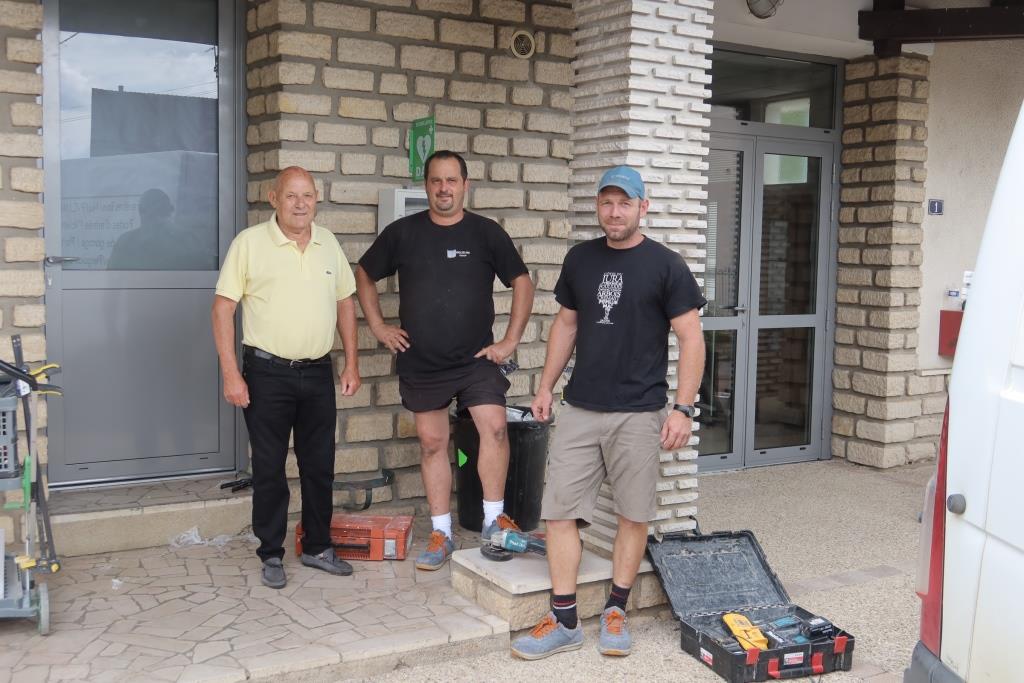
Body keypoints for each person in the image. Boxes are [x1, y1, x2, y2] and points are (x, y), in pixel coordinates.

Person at [512, 166, 706, 659]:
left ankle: (617, 610)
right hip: (580, 407)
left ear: (643, 207)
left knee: (632, 514)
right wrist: (545, 386)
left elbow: (691, 338)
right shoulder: (580, 259)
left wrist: (683, 409)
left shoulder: (667, 265)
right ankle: (564, 619)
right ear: (597, 207)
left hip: (640, 413)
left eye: (624, 202)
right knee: (558, 512)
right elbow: (567, 325)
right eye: (606, 202)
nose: (614, 212)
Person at [356, 150, 535, 570]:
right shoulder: (403, 233)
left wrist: (509, 341)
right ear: (426, 186)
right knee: (433, 443)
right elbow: (364, 273)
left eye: (451, 180)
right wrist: (380, 328)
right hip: (423, 361)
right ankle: (442, 532)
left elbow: (522, 282)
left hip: (476, 359)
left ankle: (494, 523)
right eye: (436, 181)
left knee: (493, 428)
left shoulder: (486, 234)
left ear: (465, 185)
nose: (443, 189)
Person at [212, 166, 360, 589]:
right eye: (291, 196)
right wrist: (231, 374)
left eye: (308, 196)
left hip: (317, 373)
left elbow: (346, 302)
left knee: (319, 466)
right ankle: (271, 552)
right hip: (266, 373)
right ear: (273, 198)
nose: (300, 204)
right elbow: (223, 309)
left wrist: (351, 362)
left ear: (316, 199)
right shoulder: (249, 244)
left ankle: (317, 547)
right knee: (270, 468)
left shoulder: (328, 242)